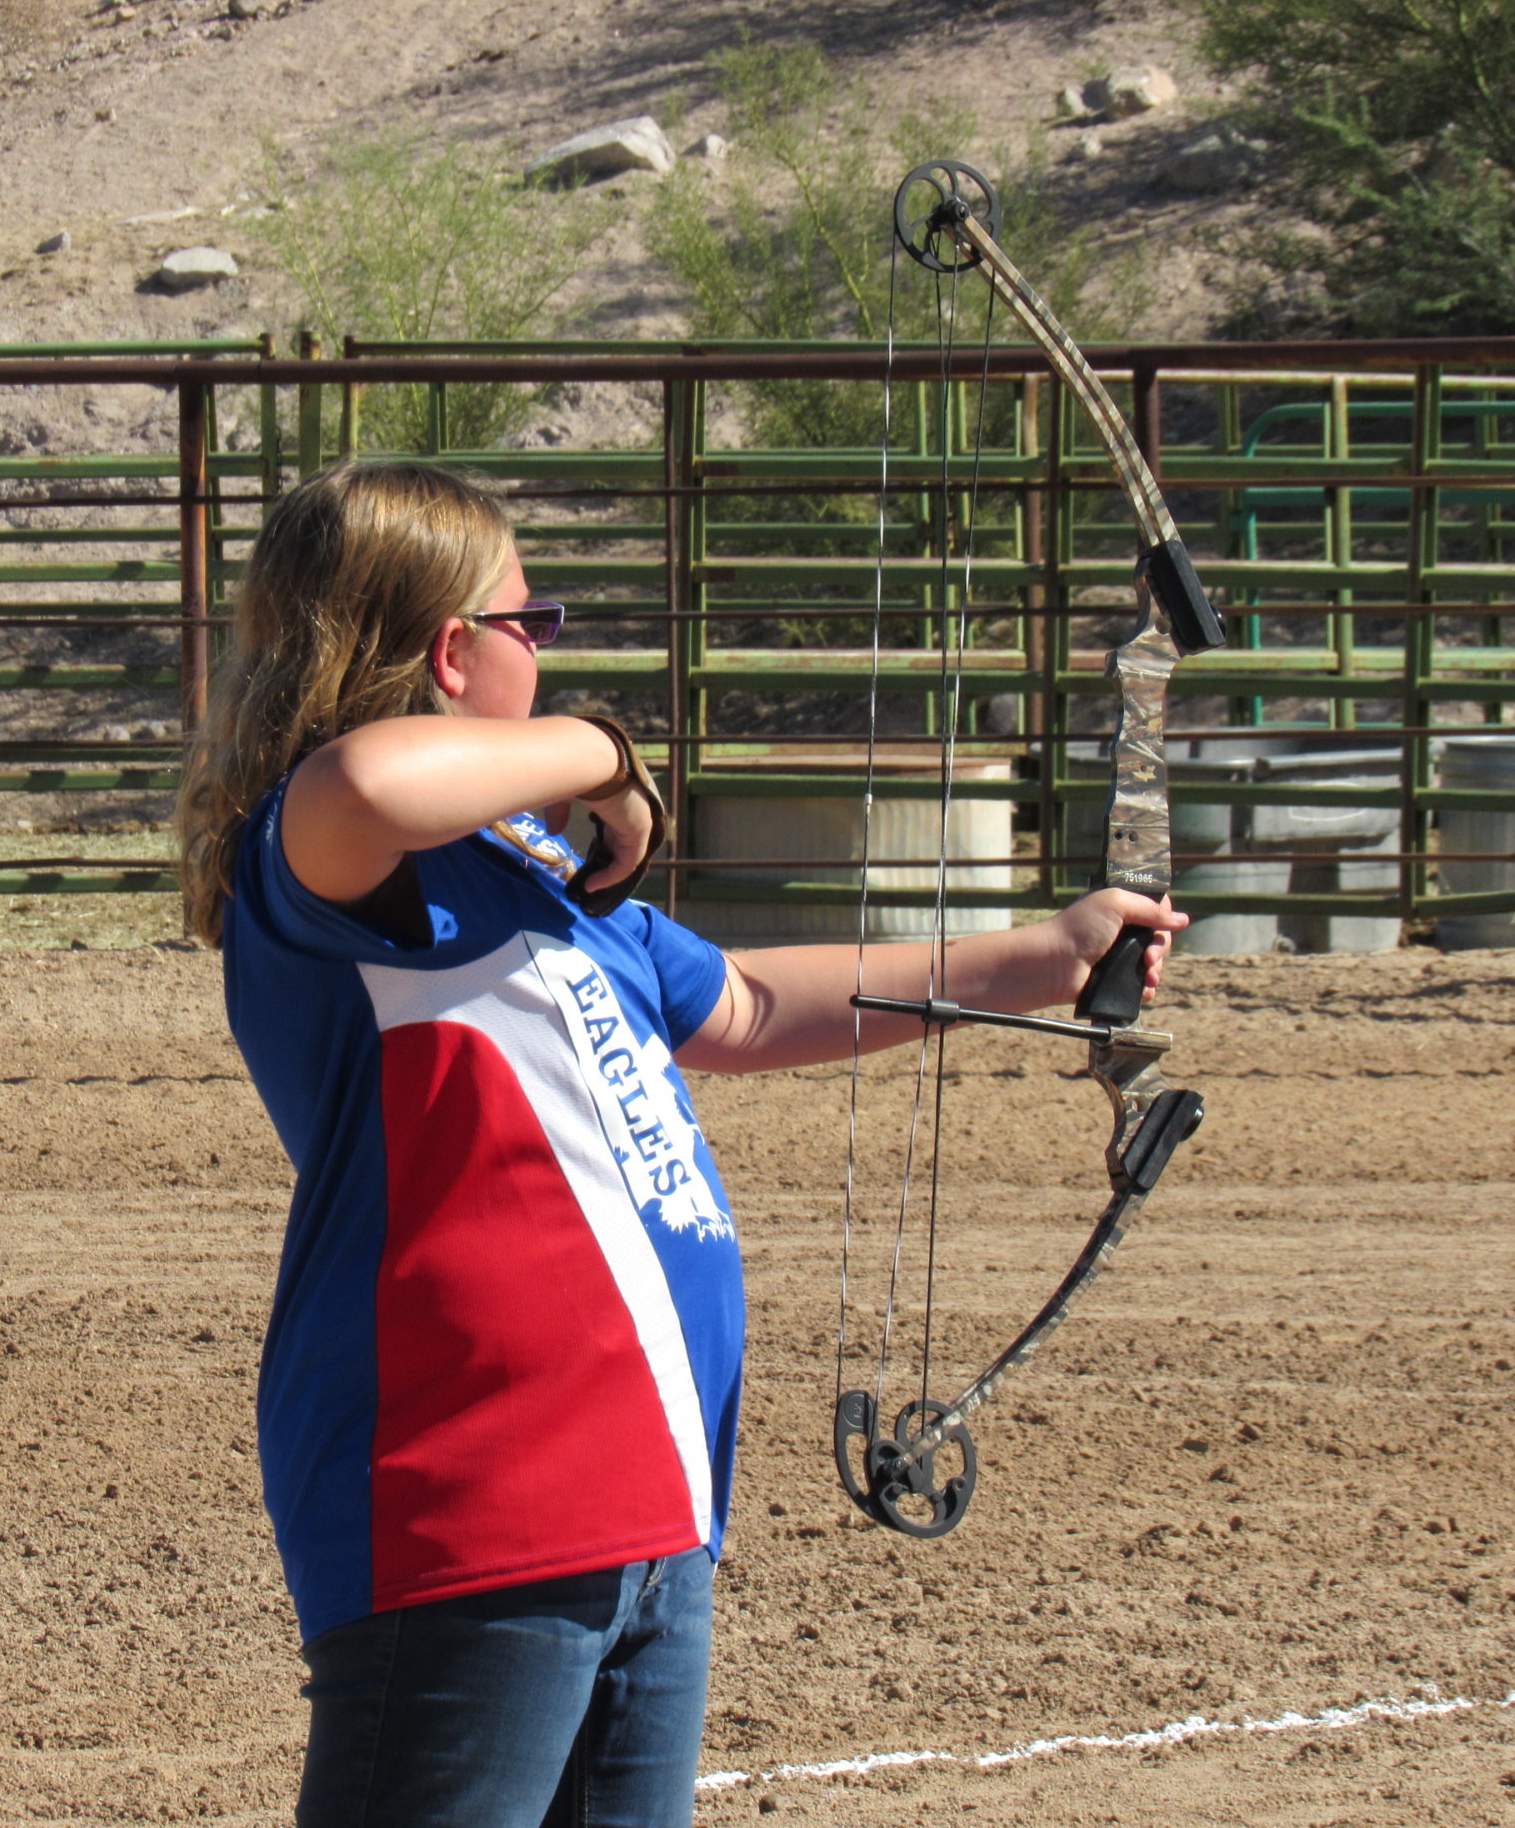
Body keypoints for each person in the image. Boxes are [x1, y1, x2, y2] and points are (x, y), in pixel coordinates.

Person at [174, 460, 1183, 1828]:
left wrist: (1044, 959)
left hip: (643, 1509)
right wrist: (606, 748)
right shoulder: (345, 868)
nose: (548, 649)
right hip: (475, 1502)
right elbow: (366, 773)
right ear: (452, 653)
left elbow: (749, 1005)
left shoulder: (534, 874)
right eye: (532, 622)